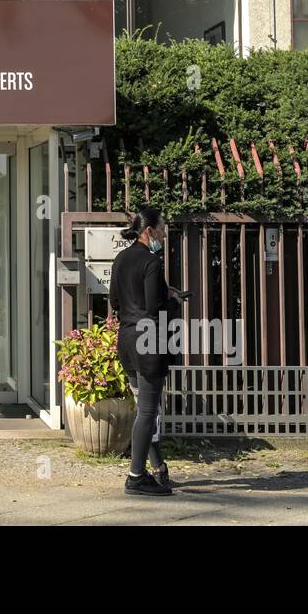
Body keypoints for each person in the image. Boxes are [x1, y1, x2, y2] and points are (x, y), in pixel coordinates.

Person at [109, 206, 188, 496]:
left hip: (127, 341)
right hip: (150, 341)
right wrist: (174, 299)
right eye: (163, 228)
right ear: (149, 231)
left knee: (146, 408)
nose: (165, 234)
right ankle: (135, 476)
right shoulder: (152, 262)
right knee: (147, 410)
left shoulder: (120, 258)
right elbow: (154, 307)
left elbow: (115, 301)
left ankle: (158, 468)